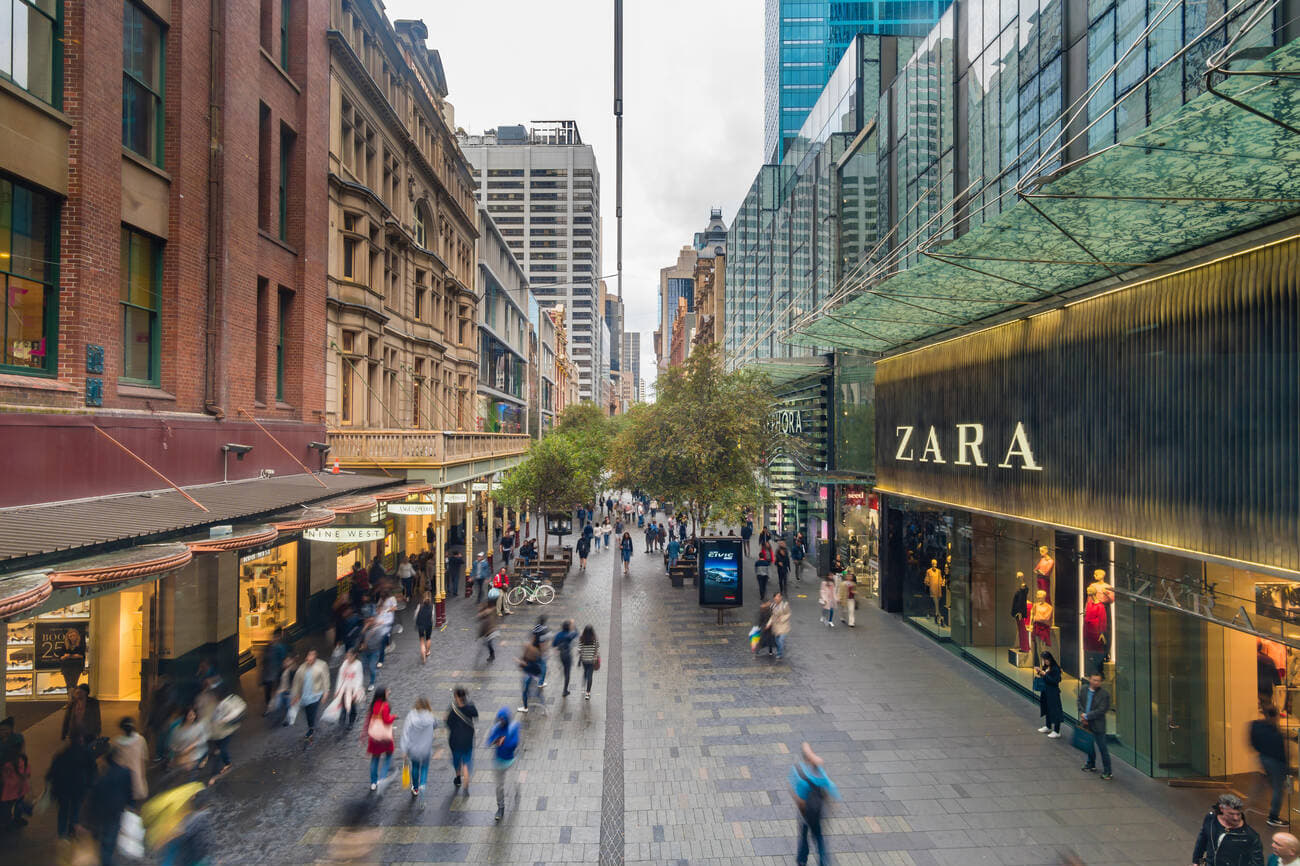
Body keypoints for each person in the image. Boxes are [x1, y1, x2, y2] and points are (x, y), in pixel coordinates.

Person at [789, 742, 839, 866]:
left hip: (806, 814)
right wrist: (831, 806)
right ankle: (823, 862)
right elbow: (832, 789)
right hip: (818, 812)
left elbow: (800, 800)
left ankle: (802, 860)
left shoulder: (799, 772)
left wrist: (802, 814)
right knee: (819, 838)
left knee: (804, 837)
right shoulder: (820, 773)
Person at [88, 741, 134, 866]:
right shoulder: (126, 772)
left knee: (105, 843)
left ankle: (106, 861)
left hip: (103, 814)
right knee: (111, 840)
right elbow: (129, 792)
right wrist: (131, 806)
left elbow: (94, 798)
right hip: (117, 811)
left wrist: (91, 819)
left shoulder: (102, 777)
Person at [1192, 793, 1264, 866]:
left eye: (1238, 814)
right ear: (1221, 809)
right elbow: (1202, 841)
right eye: (1231, 814)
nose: (1236, 818)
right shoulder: (1211, 819)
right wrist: (1197, 862)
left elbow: (1258, 863)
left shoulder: (1251, 836)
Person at [46, 739, 93, 839]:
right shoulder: (86, 755)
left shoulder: (60, 755)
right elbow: (92, 772)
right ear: (81, 742)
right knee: (75, 810)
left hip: (63, 790)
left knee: (63, 811)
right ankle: (72, 831)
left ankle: (62, 834)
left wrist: (52, 787)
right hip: (78, 789)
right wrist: (89, 786)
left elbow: (50, 774)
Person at [1251, 706, 1289, 827]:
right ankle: (1273, 817)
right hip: (1276, 762)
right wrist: (1287, 767)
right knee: (1278, 789)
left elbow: (1253, 742)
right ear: (1275, 716)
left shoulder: (1256, 726)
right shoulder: (1274, 730)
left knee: (1264, 784)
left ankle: (1249, 807)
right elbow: (1281, 751)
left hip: (1263, 758)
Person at [486, 707, 521, 822]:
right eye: (499, 719)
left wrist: (504, 741)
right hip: (498, 762)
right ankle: (500, 808)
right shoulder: (496, 728)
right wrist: (495, 740)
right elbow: (489, 741)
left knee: (512, 781)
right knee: (499, 786)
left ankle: (517, 788)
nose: (501, 722)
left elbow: (514, 744)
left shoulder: (513, 728)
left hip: (510, 761)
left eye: (503, 720)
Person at [1077, 673, 1113, 779]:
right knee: (1089, 745)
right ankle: (1091, 764)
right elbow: (1079, 702)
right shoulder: (1084, 689)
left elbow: (1102, 710)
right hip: (1086, 723)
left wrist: (1087, 716)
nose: (1096, 682)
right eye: (1094, 680)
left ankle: (1108, 771)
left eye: (1098, 681)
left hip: (1098, 725)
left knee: (1103, 748)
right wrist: (1082, 714)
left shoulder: (1104, 694)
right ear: (1090, 679)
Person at [400, 697, 437, 797]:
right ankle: (422, 784)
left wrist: (404, 749)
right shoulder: (430, 716)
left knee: (415, 767)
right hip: (426, 749)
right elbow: (435, 725)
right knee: (424, 767)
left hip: (414, 748)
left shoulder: (411, 716)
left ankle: (415, 788)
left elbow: (405, 733)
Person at [291, 647, 331, 740]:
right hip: (305, 694)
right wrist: (296, 695)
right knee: (308, 712)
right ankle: (312, 725)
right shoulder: (302, 668)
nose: (310, 657)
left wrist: (326, 692)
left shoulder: (322, 665)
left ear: (315, 656)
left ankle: (311, 729)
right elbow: (297, 682)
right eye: (309, 655)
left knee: (312, 711)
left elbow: (326, 679)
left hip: (316, 694)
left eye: (312, 655)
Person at [445, 687, 479, 794]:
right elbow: (475, 714)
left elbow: (448, 723)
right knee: (466, 761)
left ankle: (458, 777)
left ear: (456, 697)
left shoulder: (453, 709)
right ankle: (466, 783)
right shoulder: (470, 706)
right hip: (468, 739)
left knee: (457, 760)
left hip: (455, 740)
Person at [365, 688, 397, 792]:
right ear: (383, 694)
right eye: (387, 692)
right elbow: (387, 720)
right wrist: (393, 717)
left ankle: (373, 783)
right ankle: (382, 778)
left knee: (375, 759)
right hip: (384, 737)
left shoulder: (373, 705)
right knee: (388, 756)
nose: (389, 693)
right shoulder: (385, 705)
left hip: (374, 737)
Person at [112, 716, 149, 803]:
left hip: (121, 781)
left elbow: (112, 762)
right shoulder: (141, 740)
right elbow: (143, 762)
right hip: (135, 781)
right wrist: (142, 779)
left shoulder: (116, 742)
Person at [334, 647, 366, 730]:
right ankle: (342, 720)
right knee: (343, 704)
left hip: (352, 689)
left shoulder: (358, 664)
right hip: (344, 688)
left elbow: (359, 678)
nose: (348, 657)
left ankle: (351, 721)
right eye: (347, 655)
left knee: (352, 706)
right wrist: (338, 689)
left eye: (350, 656)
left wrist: (355, 692)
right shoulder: (345, 663)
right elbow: (341, 677)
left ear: (354, 655)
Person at [260, 628, 290, 713]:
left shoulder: (279, 647)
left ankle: (274, 707)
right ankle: (271, 707)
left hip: (274, 673)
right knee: (270, 691)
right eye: (274, 637)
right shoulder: (271, 646)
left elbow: (284, 660)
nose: (275, 638)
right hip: (270, 674)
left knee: (274, 690)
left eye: (276, 637)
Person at [1035, 652, 1065, 738]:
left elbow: (1055, 681)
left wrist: (1045, 674)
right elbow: (1045, 678)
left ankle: (1056, 731)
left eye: (1046, 659)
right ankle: (1048, 726)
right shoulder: (1046, 667)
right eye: (1044, 660)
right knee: (1047, 708)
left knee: (1055, 710)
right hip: (1046, 691)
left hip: (1053, 692)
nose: (1045, 661)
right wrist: (1040, 672)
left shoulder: (1055, 668)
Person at [517, 638, 544, 713]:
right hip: (535, 676)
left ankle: (525, 707)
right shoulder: (534, 653)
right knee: (536, 693)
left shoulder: (528, 656)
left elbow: (527, 667)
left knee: (525, 692)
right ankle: (543, 704)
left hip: (529, 676)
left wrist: (521, 663)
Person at [552, 620, 578, 697]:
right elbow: (577, 633)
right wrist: (574, 625)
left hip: (561, 655)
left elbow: (554, 644)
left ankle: (563, 673)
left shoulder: (558, 635)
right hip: (567, 655)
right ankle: (565, 690)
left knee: (565, 669)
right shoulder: (569, 635)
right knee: (567, 672)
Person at [578, 626, 600, 700]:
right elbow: (597, 649)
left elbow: (579, 650)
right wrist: (595, 657)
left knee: (585, 671)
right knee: (590, 675)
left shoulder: (582, 639)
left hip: (584, 660)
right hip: (592, 660)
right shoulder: (594, 639)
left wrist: (581, 656)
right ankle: (587, 693)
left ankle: (583, 685)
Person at [769, 593, 792, 660]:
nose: (777, 599)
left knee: (781, 640)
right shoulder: (772, 605)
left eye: (779, 597)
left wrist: (782, 618)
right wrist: (769, 623)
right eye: (776, 598)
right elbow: (772, 615)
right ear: (774, 599)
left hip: (783, 626)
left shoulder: (785, 605)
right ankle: (780, 649)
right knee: (777, 641)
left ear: (781, 597)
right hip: (776, 626)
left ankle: (779, 653)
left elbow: (789, 613)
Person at [415, 592, 435, 665]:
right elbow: (432, 616)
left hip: (421, 624)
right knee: (428, 638)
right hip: (428, 624)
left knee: (422, 640)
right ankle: (427, 652)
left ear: (423, 598)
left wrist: (416, 622)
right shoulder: (432, 606)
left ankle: (423, 656)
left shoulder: (419, 606)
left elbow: (416, 615)